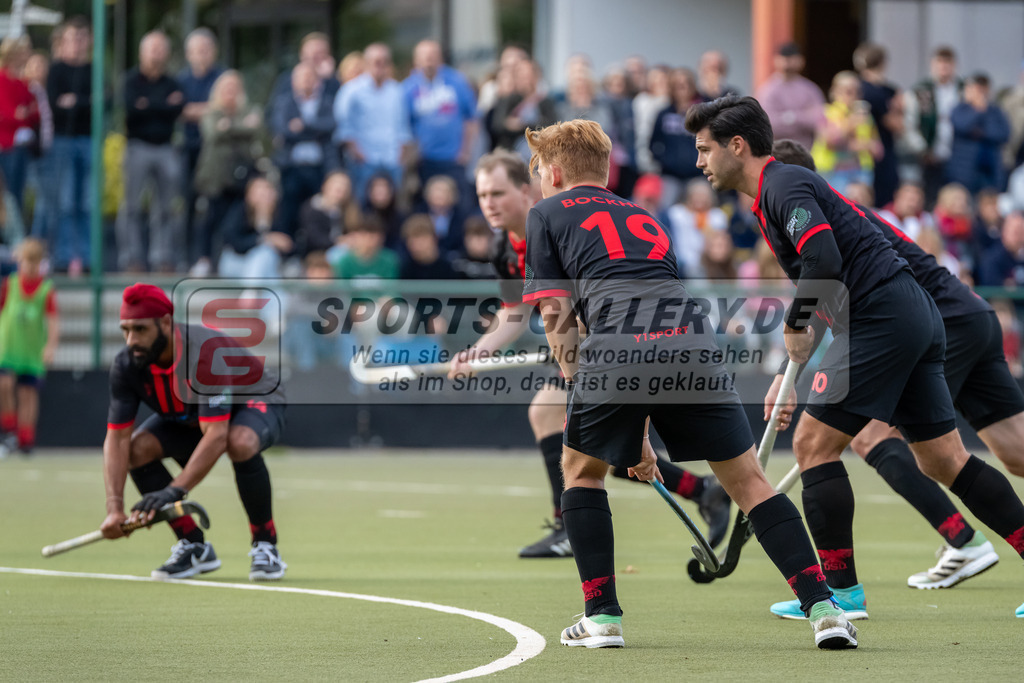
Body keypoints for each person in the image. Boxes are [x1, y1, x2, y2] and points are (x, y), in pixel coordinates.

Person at [685, 95, 1024, 621]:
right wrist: (787, 371)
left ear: (737, 145)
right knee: (942, 459)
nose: (699, 162)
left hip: (883, 318)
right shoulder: (770, 196)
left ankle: (842, 595)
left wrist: (797, 324)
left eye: (705, 149)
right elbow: (827, 280)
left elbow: (824, 259)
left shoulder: (782, 182)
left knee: (813, 445)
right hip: (907, 315)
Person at [522, 119, 856, 649]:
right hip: (693, 346)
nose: (538, 180)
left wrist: (576, 383)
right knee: (749, 482)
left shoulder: (544, 214)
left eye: (538, 169)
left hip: (616, 352)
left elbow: (557, 314)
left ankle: (602, 618)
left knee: (581, 473)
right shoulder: (643, 215)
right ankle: (825, 611)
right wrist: (639, 436)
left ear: (555, 171)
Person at [770, 139, 1017, 604]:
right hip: (967, 314)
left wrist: (790, 375)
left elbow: (832, 301)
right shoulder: (840, 210)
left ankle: (960, 541)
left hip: (932, 321)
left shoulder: (817, 220)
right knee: (1013, 451)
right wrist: (787, 376)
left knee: (868, 438)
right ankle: (962, 541)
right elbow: (829, 307)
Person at [450, 150, 731, 559]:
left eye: (497, 192)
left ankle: (569, 526)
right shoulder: (503, 248)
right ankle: (701, 489)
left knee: (566, 427)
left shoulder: (554, 225)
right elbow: (514, 313)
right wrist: (476, 353)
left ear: (526, 190)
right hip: (574, 340)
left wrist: (581, 341)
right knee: (599, 447)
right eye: (482, 195)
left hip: (610, 338)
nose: (488, 203)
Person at [100, 283, 287, 581]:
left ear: (165, 323)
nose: (131, 340)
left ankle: (265, 544)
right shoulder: (126, 365)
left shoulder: (204, 353)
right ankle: (193, 545)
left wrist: (173, 491)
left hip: (253, 401)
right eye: (125, 330)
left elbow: (216, 435)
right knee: (137, 450)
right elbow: (118, 438)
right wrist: (115, 508)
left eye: (140, 329)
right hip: (191, 416)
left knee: (239, 442)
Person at [116, 31, 185, 272]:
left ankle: (162, 256)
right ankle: (131, 258)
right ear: (141, 52)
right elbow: (132, 110)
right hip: (137, 146)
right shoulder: (130, 81)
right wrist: (163, 105)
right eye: (151, 48)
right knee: (131, 207)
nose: (156, 53)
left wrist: (149, 104)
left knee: (166, 207)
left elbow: (177, 109)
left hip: (166, 148)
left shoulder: (172, 82)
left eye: (160, 48)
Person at [192, 69, 263, 276]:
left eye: (234, 88)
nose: (230, 93)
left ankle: (228, 261)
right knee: (209, 219)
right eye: (226, 88)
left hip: (242, 177)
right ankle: (204, 259)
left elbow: (255, 131)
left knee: (236, 220)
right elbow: (213, 133)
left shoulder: (249, 110)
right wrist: (242, 128)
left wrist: (229, 127)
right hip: (215, 177)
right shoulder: (211, 112)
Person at [0, 238, 58, 456]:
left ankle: (25, 439)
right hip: (8, 347)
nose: (30, 267)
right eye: (26, 261)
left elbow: (53, 320)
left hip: (31, 350)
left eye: (35, 262)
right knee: (4, 385)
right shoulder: (10, 284)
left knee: (28, 394)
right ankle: (9, 428)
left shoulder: (46, 289)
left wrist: (51, 346)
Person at [335, 43, 412, 202]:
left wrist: (401, 156)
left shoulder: (397, 91)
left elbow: (403, 126)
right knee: (363, 204)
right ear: (366, 63)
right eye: (376, 61)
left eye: (384, 61)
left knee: (393, 205)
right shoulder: (351, 91)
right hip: (364, 160)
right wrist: (357, 153)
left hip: (392, 158)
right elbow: (344, 126)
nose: (380, 65)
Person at [268, 62, 338, 236]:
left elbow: (331, 125)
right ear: (293, 81)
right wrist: (315, 132)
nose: (307, 81)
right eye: (302, 78)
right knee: (289, 209)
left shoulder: (327, 102)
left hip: (319, 167)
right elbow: (282, 129)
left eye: (310, 77)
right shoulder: (284, 102)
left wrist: (303, 125)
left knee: (318, 208)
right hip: (292, 167)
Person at [46, 17, 92, 275]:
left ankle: (86, 258)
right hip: (62, 141)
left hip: (87, 140)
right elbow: (54, 104)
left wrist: (75, 101)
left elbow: (100, 102)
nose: (76, 43)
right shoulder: (56, 70)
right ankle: (63, 257)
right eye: (72, 38)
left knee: (86, 202)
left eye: (81, 38)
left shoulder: (92, 70)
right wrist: (83, 102)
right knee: (64, 203)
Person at [403, 39, 478, 196]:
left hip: (454, 158)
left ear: (440, 58)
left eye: (433, 56)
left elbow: (471, 119)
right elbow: (404, 126)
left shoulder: (457, 82)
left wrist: (465, 152)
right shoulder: (407, 88)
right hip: (423, 161)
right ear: (416, 60)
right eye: (425, 57)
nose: (429, 61)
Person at [178, 28, 224, 263]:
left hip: (217, 153)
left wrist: (195, 110)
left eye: (206, 50)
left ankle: (212, 258)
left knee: (216, 206)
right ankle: (187, 258)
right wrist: (209, 109)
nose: (202, 55)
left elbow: (224, 107)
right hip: (189, 149)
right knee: (188, 204)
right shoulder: (181, 80)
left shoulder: (223, 77)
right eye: (197, 50)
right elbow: (178, 110)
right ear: (189, 54)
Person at [946, 73, 1010, 194]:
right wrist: (977, 110)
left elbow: (1003, 134)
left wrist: (981, 132)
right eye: (977, 89)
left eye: (983, 88)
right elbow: (962, 126)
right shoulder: (959, 109)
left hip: (990, 170)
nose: (981, 93)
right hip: (964, 172)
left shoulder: (995, 110)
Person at [755, 42, 824, 152]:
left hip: (806, 153)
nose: (787, 62)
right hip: (777, 153)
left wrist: (790, 117)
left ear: (801, 61)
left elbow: (818, 120)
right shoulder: (767, 90)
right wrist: (803, 116)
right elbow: (769, 123)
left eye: (792, 58)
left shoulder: (810, 89)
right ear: (776, 60)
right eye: (784, 58)